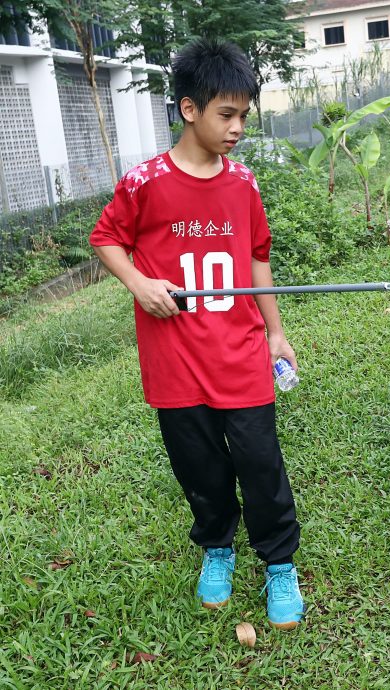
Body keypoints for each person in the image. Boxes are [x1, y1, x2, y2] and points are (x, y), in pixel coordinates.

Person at [89, 39, 304, 631]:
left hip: (239, 355)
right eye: (225, 115)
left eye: (244, 116)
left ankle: (279, 561)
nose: (237, 128)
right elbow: (106, 239)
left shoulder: (242, 183)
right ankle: (217, 548)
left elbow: (258, 258)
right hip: (175, 363)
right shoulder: (145, 182)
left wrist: (275, 333)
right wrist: (138, 282)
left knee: (261, 463)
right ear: (189, 109)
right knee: (200, 468)